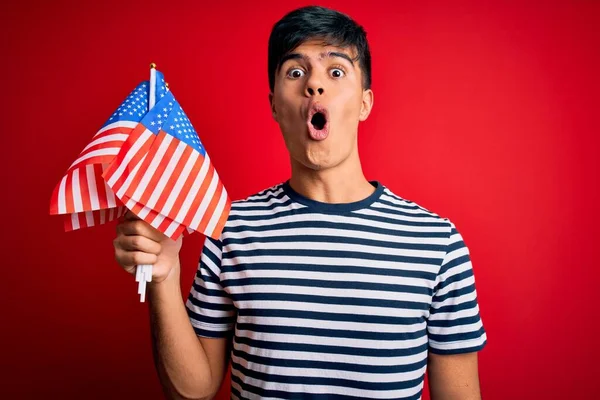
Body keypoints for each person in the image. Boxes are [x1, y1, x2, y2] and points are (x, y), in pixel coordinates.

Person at [113, 5, 487, 400]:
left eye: (336, 71)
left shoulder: (436, 243)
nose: (314, 85)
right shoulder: (227, 228)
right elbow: (193, 392)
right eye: (295, 72)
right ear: (275, 104)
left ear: (364, 103)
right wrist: (164, 276)